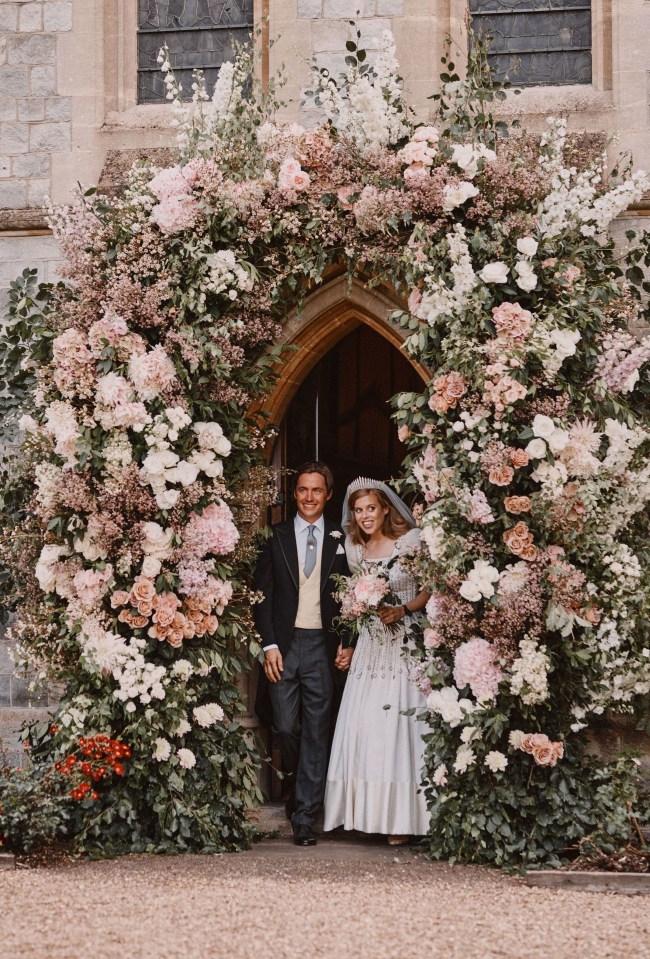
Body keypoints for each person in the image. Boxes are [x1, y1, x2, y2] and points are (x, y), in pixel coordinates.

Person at [324, 478, 431, 844]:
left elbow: (429, 587)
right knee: (367, 726)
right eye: (358, 510)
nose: (365, 516)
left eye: (371, 508)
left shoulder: (410, 542)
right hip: (371, 647)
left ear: (386, 508)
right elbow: (355, 607)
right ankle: (367, 813)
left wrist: (403, 608)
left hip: (405, 642)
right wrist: (349, 644)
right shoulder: (355, 549)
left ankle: (404, 819)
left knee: (401, 728)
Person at [253, 461, 351, 846]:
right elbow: (261, 597)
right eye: (303, 490)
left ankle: (305, 816)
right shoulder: (273, 537)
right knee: (285, 727)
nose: (309, 497)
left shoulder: (342, 540)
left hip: (322, 647)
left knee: (316, 731)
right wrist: (269, 644)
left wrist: (347, 640)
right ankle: (296, 789)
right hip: (284, 645)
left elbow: (352, 598)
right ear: (295, 495)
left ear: (328, 494)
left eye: (317, 491)